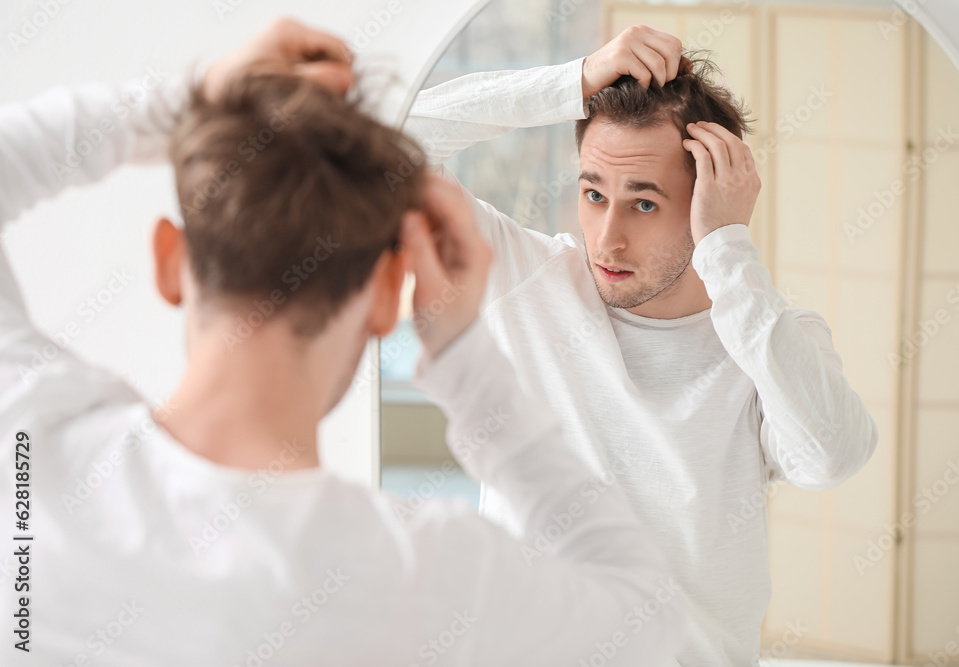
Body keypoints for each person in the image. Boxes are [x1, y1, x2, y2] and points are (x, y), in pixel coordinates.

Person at [0, 18, 686, 666]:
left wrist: (196, 97)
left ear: (168, 260)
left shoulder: (30, 441)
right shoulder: (422, 576)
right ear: (392, 293)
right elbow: (649, 625)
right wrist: (466, 361)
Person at [403, 24, 879, 665]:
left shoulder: (764, 336)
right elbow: (382, 150)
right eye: (594, 194)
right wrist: (569, 82)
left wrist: (727, 250)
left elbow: (831, 458)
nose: (606, 239)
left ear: (709, 200)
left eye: (645, 205)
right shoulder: (529, 282)